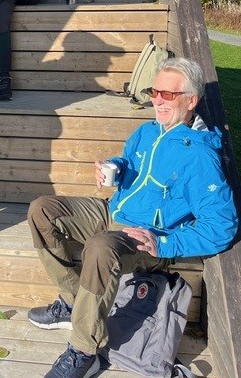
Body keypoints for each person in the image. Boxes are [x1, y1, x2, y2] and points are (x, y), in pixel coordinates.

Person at [27, 57, 238, 378]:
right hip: (113, 212)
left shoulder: (199, 156)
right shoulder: (147, 131)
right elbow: (131, 164)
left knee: (100, 247)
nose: (157, 100)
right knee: (43, 209)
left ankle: (84, 349)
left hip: (147, 237)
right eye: (154, 91)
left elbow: (223, 226)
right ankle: (74, 303)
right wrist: (115, 168)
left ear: (191, 100)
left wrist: (165, 243)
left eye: (167, 94)